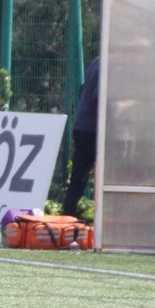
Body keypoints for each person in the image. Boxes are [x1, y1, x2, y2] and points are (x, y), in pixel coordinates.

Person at [63, 56, 99, 217]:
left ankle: (68, 217)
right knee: (108, 175)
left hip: (82, 125)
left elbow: (82, 89)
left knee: (79, 176)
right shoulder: (111, 66)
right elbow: (100, 96)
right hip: (94, 128)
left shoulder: (97, 61)